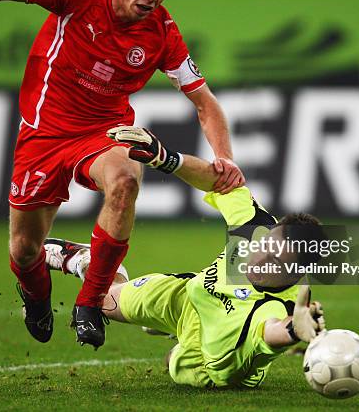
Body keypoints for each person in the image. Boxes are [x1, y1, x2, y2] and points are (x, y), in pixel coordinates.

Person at [0, 0, 245, 349]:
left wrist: (223, 157)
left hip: (105, 131)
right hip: (44, 135)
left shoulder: (162, 33)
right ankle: (37, 295)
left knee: (125, 180)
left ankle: (90, 301)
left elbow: (206, 104)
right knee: (24, 250)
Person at [44, 126, 326, 387]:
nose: (261, 258)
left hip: (208, 358)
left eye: (276, 262)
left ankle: (176, 341)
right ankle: (82, 259)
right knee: (101, 299)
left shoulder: (280, 308)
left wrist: (293, 332)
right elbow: (220, 181)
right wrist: (165, 158)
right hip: (192, 295)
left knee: (173, 364)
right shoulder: (255, 226)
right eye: (266, 246)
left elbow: (273, 331)